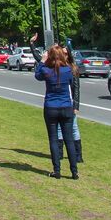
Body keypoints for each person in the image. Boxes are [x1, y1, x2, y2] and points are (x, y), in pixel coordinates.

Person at [30, 33, 79, 179]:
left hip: (51, 107)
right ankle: (74, 171)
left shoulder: (46, 70)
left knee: (53, 139)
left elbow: (37, 75)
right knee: (68, 139)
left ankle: (57, 170)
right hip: (66, 107)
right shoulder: (68, 70)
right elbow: (72, 79)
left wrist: (43, 61)